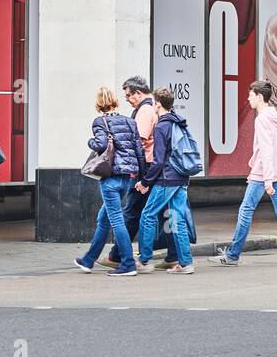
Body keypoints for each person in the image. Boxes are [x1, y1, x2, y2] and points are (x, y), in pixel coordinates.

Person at [210, 80, 277, 268]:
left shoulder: (262, 119)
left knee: (245, 211)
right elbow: (273, 149)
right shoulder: (275, 117)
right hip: (274, 172)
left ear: (259, 97)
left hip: (264, 174)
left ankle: (232, 256)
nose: (248, 99)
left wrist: (267, 179)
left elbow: (266, 151)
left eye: (250, 95)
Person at [74, 87, 146, 276]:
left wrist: (90, 141)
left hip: (110, 178)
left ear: (99, 104)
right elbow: (139, 150)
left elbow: (101, 145)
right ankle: (89, 260)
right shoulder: (130, 122)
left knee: (116, 220)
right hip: (126, 179)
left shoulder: (100, 122)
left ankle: (128, 264)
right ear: (115, 101)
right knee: (103, 219)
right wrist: (143, 177)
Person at [102, 75, 161, 270]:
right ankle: (174, 255)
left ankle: (118, 256)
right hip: (156, 167)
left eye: (128, 95)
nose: (126, 98)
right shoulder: (155, 105)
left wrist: (135, 172)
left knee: (131, 212)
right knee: (154, 211)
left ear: (138, 93)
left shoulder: (144, 110)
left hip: (145, 168)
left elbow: (141, 141)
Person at [135, 88, 196, 274]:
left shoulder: (162, 126)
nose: (153, 105)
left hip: (167, 179)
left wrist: (145, 182)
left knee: (147, 215)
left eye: (154, 102)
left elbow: (158, 160)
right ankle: (185, 263)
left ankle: (145, 261)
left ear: (158, 104)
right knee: (177, 219)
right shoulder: (178, 122)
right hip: (181, 176)